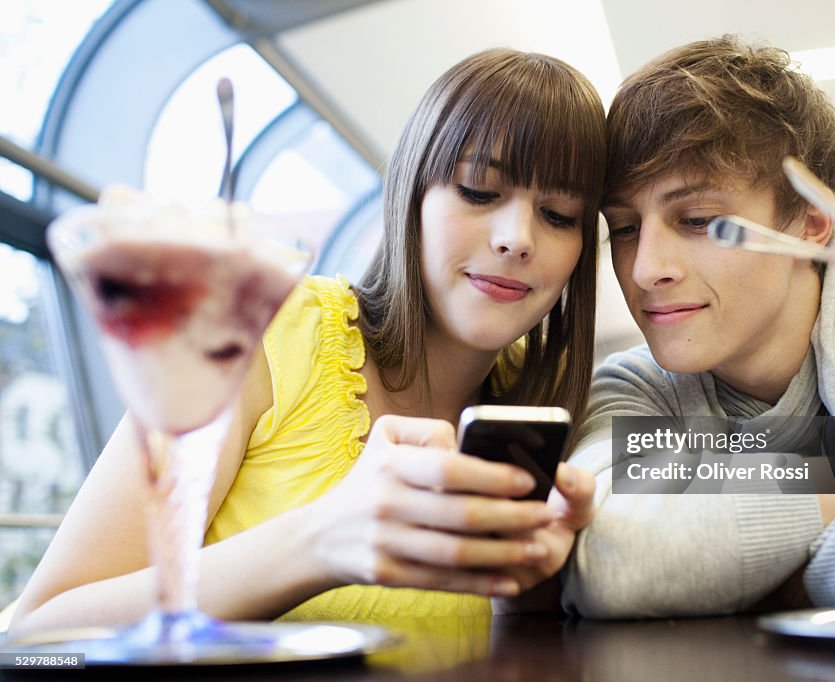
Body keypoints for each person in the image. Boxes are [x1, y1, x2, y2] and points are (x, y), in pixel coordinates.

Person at [11, 47, 605, 633]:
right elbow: (37, 631)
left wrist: (534, 588)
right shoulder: (268, 327)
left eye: (559, 214)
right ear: (410, 196)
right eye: (478, 191)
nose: (516, 238)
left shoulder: (549, 405)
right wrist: (320, 541)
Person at [559, 35, 835, 618]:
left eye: (698, 221)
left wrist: (754, 578)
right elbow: (610, 566)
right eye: (623, 228)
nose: (647, 270)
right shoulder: (636, 388)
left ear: (810, 224)